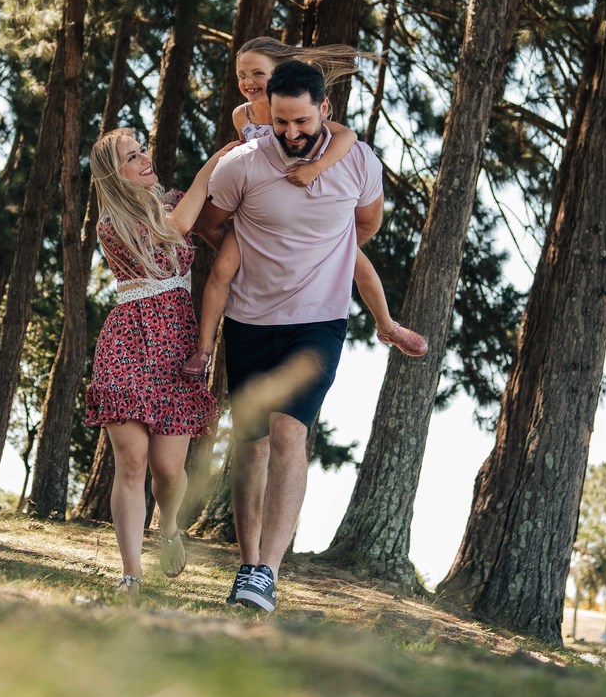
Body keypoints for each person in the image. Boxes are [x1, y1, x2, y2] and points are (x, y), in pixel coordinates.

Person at [193, 60, 388, 612]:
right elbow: (211, 223)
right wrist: (245, 254)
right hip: (249, 319)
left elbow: (366, 224)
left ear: (324, 109)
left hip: (318, 319)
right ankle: (248, 563)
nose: (292, 133)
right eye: (281, 122)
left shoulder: (357, 162)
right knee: (250, 443)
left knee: (288, 430)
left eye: (301, 121)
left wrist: (322, 254)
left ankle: (268, 572)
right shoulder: (244, 167)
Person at [182, 37, 427, 380]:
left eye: (258, 73)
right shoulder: (244, 114)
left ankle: (387, 325)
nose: (248, 81)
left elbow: (348, 137)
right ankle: (204, 349)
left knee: (361, 268)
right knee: (221, 272)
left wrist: (315, 168)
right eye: (242, 74)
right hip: (257, 221)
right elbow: (251, 158)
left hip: (310, 215)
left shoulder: (307, 113)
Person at [85, 128, 239, 600]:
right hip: (128, 342)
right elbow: (173, 230)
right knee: (131, 464)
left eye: (143, 150)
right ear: (116, 174)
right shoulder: (112, 223)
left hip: (175, 344)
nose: (144, 159)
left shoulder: (174, 198)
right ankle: (130, 575)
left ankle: (168, 525)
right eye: (132, 158)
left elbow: (219, 223)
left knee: (168, 470)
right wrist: (211, 164)